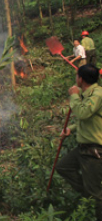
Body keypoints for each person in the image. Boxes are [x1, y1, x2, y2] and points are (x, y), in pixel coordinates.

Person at [57, 64, 102, 221]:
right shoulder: (88, 93)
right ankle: (88, 194)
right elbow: (89, 120)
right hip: (83, 147)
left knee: (95, 194)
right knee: (63, 167)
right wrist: (71, 129)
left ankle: (94, 205)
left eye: (77, 76)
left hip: (94, 149)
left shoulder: (97, 94)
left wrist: (74, 96)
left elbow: (83, 113)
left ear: (81, 79)